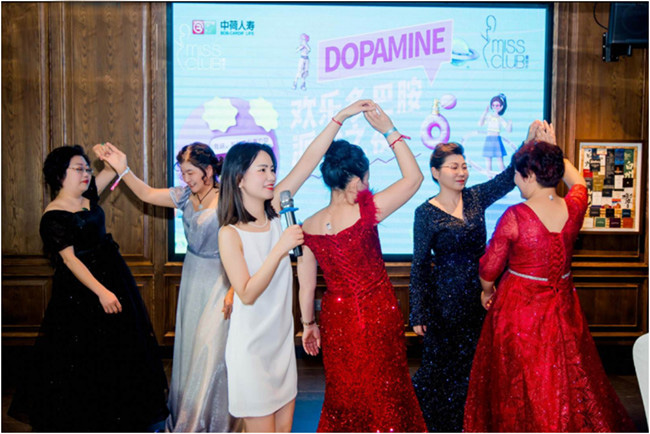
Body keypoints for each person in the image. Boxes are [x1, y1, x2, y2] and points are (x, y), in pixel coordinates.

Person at [464, 122, 636, 432]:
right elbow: (579, 182)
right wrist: (554, 151)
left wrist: (487, 291)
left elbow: (489, 267)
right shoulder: (574, 207)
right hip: (564, 307)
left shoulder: (515, 216)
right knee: (565, 371)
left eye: (518, 173)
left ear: (529, 175)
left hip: (520, 310)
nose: (514, 178)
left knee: (522, 377)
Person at [218, 99, 376, 433]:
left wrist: (339, 118)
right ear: (239, 178)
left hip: (281, 346)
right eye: (262, 170)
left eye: (272, 169)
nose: (271, 176)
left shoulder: (276, 213)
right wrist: (280, 248)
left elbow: (309, 160)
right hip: (250, 351)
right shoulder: (230, 234)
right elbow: (247, 293)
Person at [9, 145, 168, 432]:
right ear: (60, 175)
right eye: (78, 169)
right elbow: (70, 260)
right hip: (82, 291)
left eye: (87, 168)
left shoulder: (88, 195)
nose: (86, 173)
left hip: (113, 276)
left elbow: (112, 170)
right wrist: (102, 292)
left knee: (119, 352)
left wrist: (112, 158)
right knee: (84, 357)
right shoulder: (53, 216)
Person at [297, 105, 427, 432]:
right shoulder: (367, 211)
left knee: (344, 390)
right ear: (357, 180)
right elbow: (414, 179)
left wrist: (308, 325)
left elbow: (306, 285)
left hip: (336, 317)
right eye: (367, 178)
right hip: (377, 312)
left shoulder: (308, 225)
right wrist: (389, 130)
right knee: (386, 388)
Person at [92, 142, 239, 432]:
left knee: (211, 347)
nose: (186, 178)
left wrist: (234, 288)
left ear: (209, 170)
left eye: (191, 173)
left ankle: (213, 419)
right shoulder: (184, 196)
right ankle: (190, 413)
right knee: (192, 347)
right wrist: (123, 168)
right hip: (193, 276)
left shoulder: (228, 199)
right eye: (183, 173)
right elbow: (146, 194)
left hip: (221, 278)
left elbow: (243, 244)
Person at [409, 120, 541, 432]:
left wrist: (528, 142)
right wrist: (418, 311)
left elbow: (507, 178)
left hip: (481, 294)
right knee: (441, 368)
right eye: (454, 167)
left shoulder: (476, 197)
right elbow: (419, 265)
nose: (462, 172)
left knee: (477, 363)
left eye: (465, 166)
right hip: (443, 301)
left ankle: (474, 422)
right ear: (435, 172)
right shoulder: (424, 213)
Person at [478, 93, 512, 173]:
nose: (495, 107)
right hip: (489, 139)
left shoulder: (500, 119)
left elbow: (508, 130)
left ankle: (504, 178)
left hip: (497, 140)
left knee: (500, 163)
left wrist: (510, 124)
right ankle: (489, 179)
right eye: (493, 105)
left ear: (501, 107)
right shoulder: (489, 117)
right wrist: (485, 113)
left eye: (497, 105)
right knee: (488, 163)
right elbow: (480, 124)